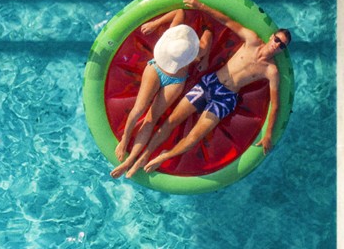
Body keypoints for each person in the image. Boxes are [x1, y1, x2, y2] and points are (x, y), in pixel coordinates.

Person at [112, 17, 288, 179]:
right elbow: (226, 21)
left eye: (282, 46)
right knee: (170, 122)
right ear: (271, 37)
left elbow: (275, 104)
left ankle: (165, 155)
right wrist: (200, 5)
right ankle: (144, 156)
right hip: (210, 83)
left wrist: (268, 134)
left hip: (225, 99)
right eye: (277, 40)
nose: (277, 45)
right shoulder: (251, 40)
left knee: (194, 137)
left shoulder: (271, 71)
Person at [114, 0, 209, 164]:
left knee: (151, 118)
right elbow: (179, 12)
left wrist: (205, 58)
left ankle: (131, 159)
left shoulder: (198, 50)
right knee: (139, 108)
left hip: (176, 81)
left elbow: (208, 34)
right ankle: (125, 139)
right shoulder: (176, 33)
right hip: (156, 70)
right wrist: (155, 23)